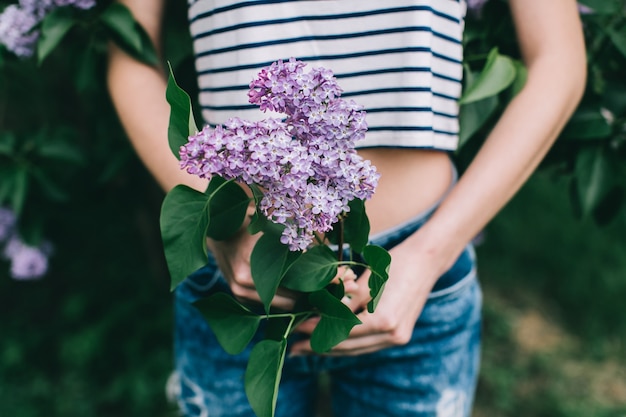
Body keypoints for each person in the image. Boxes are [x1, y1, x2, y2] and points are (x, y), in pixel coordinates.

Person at [107, 0, 586, 416]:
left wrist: (428, 256)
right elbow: (129, 55)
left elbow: (558, 60)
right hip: (242, 268)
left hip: (415, 270)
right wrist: (218, 224)